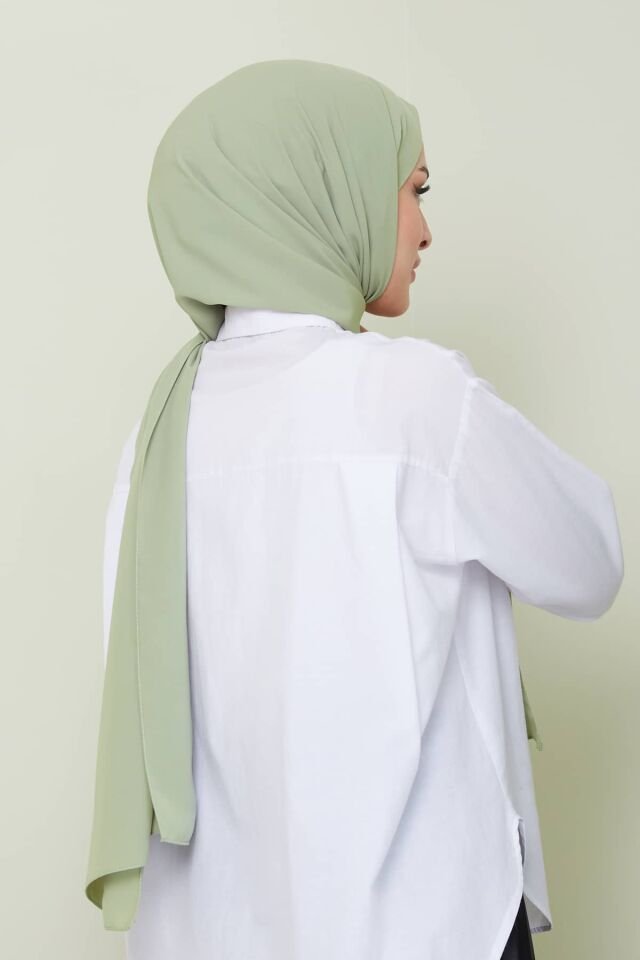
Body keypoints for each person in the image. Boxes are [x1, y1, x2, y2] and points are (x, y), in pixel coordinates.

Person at [86, 60, 624, 959]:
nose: (425, 228)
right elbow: (590, 564)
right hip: (426, 924)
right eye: (413, 189)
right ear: (323, 192)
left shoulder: (156, 437)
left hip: (214, 934)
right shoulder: (410, 395)